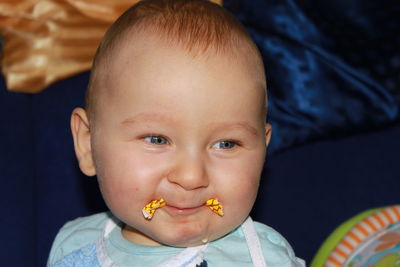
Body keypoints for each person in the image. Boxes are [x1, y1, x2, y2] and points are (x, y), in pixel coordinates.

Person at [47, 0, 305, 266]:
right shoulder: (72, 247)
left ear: (262, 153)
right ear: (88, 144)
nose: (191, 176)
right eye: (157, 140)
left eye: (226, 144)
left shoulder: (265, 259)